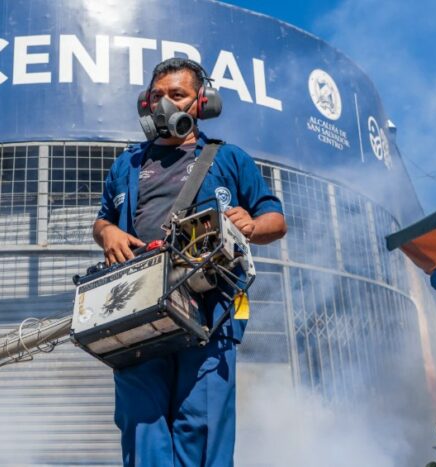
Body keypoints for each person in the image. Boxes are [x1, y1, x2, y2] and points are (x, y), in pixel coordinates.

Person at [92, 58, 287, 466]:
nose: (165, 104)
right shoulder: (126, 164)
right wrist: (106, 232)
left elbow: (277, 221)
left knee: (202, 422)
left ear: (203, 102)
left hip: (210, 309)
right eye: (157, 96)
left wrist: (250, 224)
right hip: (136, 310)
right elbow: (104, 220)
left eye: (177, 95)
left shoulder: (229, 159)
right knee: (140, 421)